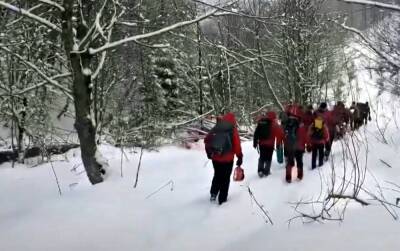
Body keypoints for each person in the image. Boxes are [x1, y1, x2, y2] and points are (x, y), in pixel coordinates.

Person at [205, 112, 243, 205]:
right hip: (227, 159)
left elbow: (206, 140)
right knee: (225, 178)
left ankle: (213, 194)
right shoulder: (232, 130)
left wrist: (209, 152)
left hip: (216, 158)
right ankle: (222, 199)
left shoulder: (217, 127)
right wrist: (240, 156)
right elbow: (237, 145)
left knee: (217, 175)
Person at [282, 105, 309, 183]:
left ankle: (288, 177)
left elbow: (283, 135)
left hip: (290, 146)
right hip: (299, 147)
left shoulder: (287, 124)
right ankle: (299, 176)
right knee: (299, 162)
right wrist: (308, 144)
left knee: (289, 162)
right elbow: (305, 136)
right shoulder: (301, 125)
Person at [253, 111, 284, 177]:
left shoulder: (261, 122)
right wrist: (278, 144)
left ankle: (260, 171)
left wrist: (255, 143)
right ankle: (266, 171)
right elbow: (279, 134)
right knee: (268, 158)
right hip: (270, 145)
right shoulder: (275, 124)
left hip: (261, 144)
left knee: (262, 157)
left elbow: (256, 133)